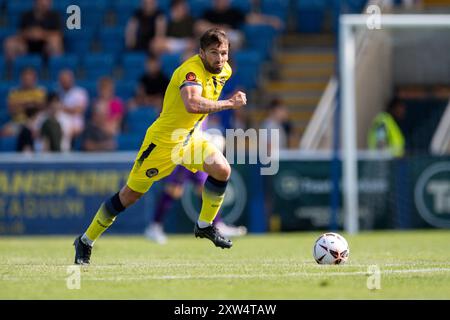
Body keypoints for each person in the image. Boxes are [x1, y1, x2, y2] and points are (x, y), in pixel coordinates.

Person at [73, 28, 247, 265]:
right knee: (129, 195)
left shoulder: (225, 70)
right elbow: (192, 104)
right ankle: (85, 240)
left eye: (224, 53)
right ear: (201, 53)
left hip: (189, 138)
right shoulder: (190, 70)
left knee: (222, 170)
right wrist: (228, 103)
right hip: (163, 142)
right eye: (214, 53)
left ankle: (205, 225)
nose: (220, 59)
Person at [145, 122, 247, 245]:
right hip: (185, 150)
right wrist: (208, 138)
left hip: (196, 150)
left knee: (204, 188)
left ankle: (217, 224)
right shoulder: (194, 103)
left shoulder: (207, 105)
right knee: (174, 190)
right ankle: (155, 226)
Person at [57, 69, 89, 151]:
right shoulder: (57, 93)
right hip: (59, 123)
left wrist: (62, 108)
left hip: (76, 124)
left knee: (64, 127)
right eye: (62, 80)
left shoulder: (80, 92)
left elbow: (79, 110)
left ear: (72, 79)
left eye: (67, 79)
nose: (65, 82)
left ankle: (64, 149)